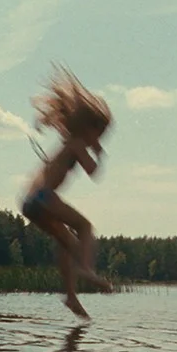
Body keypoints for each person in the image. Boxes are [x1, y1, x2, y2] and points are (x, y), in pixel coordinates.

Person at [20, 64, 114, 319]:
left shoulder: (69, 143)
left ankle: (71, 296)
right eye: (99, 134)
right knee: (85, 227)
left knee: (68, 243)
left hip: (31, 201)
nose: (99, 139)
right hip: (43, 197)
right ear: (88, 129)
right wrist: (99, 153)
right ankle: (86, 269)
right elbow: (93, 171)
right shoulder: (76, 144)